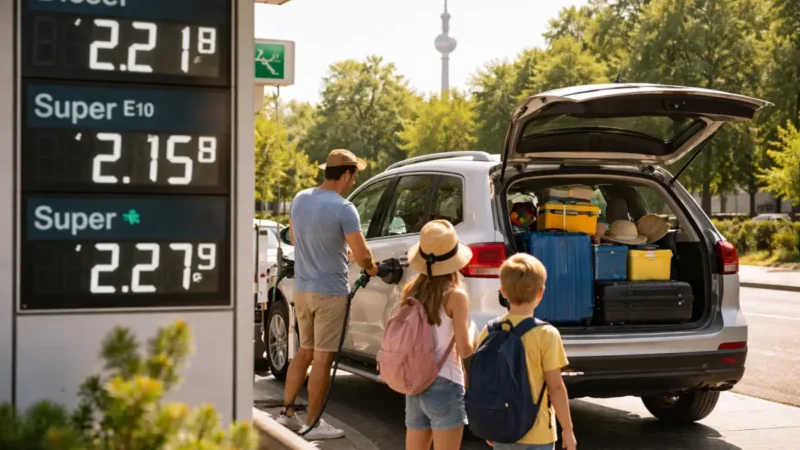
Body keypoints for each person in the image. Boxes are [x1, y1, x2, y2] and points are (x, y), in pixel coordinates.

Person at [277, 149, 379, 440]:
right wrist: (371, 268)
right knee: (322, 359)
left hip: (303, 290)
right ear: (346, 175)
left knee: (304, 352)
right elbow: (363, 255)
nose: (353, 181)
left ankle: (286, 414)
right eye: (354, 175)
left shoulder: (300, 199)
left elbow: (297, 240)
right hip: (330, 293)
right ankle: (312, 424)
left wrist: (335, 251)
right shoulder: (344, 208)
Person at [478, 253, 577, 450]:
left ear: (503, 291)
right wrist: (568, 429)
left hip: (502, 427)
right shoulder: (546, 334)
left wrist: (489, 422)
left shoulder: (490, 330)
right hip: (538, 433)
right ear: (541, 293)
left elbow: (483, 383)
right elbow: (556, 387)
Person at [403, 220, 477, 450]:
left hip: (415, 383)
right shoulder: (455, 296)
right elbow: (465, 350)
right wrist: (473, 331)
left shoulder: (410, 290)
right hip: (446, 383)